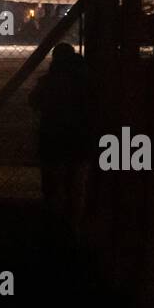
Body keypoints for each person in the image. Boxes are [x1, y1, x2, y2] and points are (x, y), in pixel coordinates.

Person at [28, 42, 94, 245]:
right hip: (78, 138)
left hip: (53, 137)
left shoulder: (48, 81)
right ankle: (74, 228)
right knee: (77, 186)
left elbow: (34, 102)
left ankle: (54, 226)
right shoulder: (84, 82)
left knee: (53, 185)